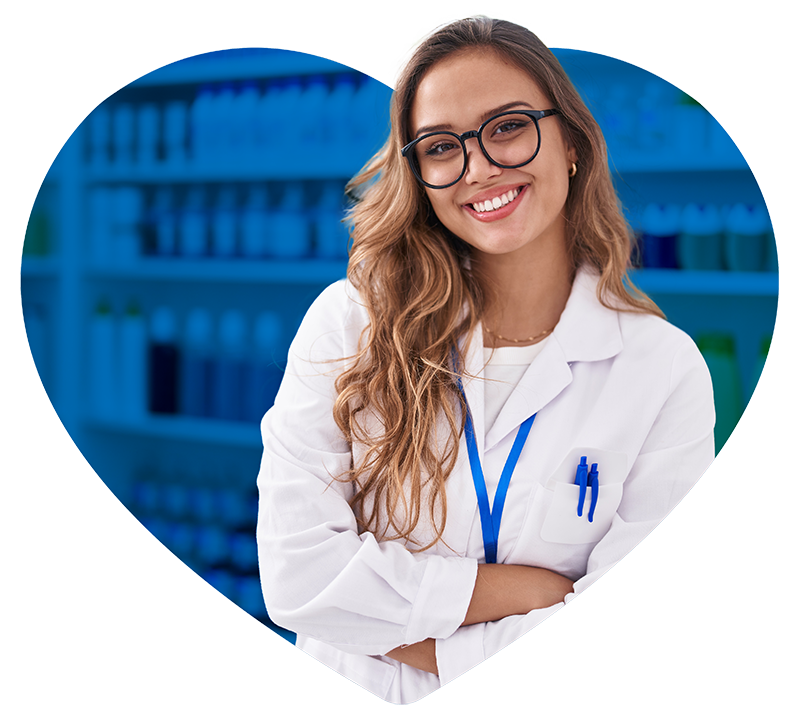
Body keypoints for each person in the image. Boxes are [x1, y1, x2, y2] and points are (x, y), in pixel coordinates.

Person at [256, 16, 716, 704]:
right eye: (442, 146)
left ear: (570, 143)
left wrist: (411, 642)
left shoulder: (661, 368)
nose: (479, 167)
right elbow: (296, 574)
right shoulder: (350, 323)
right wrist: (526, 595)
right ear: (420, 174)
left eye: (507, 126)